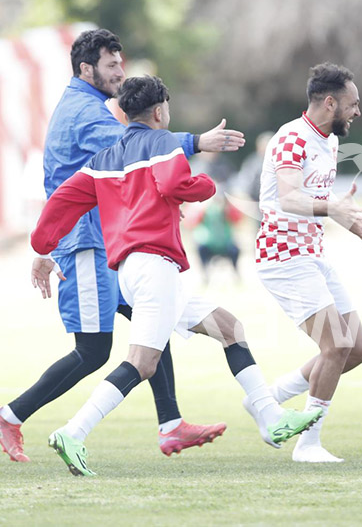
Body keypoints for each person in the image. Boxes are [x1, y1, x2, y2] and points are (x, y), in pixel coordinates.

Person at [29, 75, 322, 476]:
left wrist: (42, 249)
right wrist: (204, 185)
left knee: (229, 328)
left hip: (131, 271)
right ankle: (73, 432)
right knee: (142, 362)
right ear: (159, 111)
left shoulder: (102, 160)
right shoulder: (163, 141)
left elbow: (61, 202)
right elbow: (175, 183)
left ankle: (271, 417)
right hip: (154, 267)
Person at [0, 28, 245, 463]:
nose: (120, 72)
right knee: (93, 351)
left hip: (107, 244)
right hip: (87, 246)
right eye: (111, 65)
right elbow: (132, 146)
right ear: (86, 68)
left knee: (155, 315)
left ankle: (170, 425)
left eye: (121, 63)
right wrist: (195, 143)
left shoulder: (90, 105)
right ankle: (9, 416)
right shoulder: (83, 110)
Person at [253, 62, 362, 463]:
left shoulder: (328, 142)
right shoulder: (291, 138)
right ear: (330, 102)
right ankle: (307, 444)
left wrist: (358, 226)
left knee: (356, 348)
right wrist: (334, 207)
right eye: (353, 104)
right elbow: (289, 198)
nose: (357, 112)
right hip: (283, 256)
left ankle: (269, 399)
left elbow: (322, 207)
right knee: (336, 345)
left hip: (312, 254)